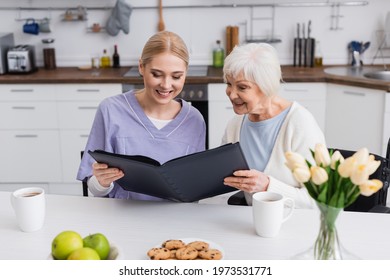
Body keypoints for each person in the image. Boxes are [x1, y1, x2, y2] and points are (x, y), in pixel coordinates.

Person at [77, 31, 206, 200]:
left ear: (185, 72)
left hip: (175, 221)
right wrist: (102, 182)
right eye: (156, 74)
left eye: (176, 76)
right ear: (141, 67)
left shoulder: (195, 120)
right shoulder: (110, 110)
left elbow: (195, 186)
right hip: (123, 220)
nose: (166, 85)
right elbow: (94, 188)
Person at [221, 43, 326, 208]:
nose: (232, 94)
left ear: (266, 86)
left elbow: (320, 200)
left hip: (300, 225)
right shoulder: (235, 126)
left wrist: (268, 186)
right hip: (253, 224)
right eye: (228, 84)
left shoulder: (299, 123)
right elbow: (224, 184)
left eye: (242, 87)